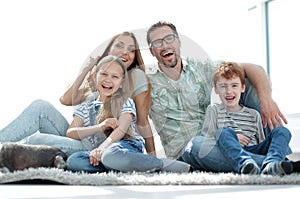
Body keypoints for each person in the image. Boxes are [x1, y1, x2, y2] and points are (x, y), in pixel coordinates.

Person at [145, 20, 298, 173]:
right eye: (157, 43)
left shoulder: (200, 68)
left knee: (246, 81)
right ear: (152, 51)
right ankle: (281, 164)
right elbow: (135, 115)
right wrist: (151, 160)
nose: (165, 46)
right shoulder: (146, 82)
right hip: (190, 151)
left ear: (178, 42)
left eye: (169, 39)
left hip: (226, 143)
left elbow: (254, 68)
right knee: (196, 144)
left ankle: (269, 159)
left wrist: (266, 100)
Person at [0, 31, 155, 157]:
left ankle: (5, 153)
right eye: (120, 46)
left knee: (36, 140)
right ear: (109, 50)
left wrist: (153, 157)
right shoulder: (97, 77)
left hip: (98, 144)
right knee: (40, 107)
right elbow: (66, 99)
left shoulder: (135, 78)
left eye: (131, 49)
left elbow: (142, 121)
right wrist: (87, 69)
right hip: (78, 134)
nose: (125, 52)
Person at [66, 55, 190, 173]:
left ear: (121, 83)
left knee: (110, 155)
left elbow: (121, 128)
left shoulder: (124, 101)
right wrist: (100, 127)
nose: (108, 79)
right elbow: (71, 133)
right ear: (94, 76)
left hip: (124, 146)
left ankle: (160, 164)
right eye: (104, 74)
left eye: (115, 77)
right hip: (101, 151)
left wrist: (103, 147)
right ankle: (122, 166)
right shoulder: (86, 106)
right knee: (74, 161)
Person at [201, 61, 293, 175]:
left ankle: (272, 163)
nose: (229, 91)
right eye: (223, 86)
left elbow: (261, 140)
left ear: (243, 88)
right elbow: (206, 137)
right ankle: (246, 164)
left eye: (234, 86)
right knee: (222, 132)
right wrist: (233, 138)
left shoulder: (254, 114)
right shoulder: (213, 110)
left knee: (282, 131)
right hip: (230, 151)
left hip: (254, 148)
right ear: (216, 90)